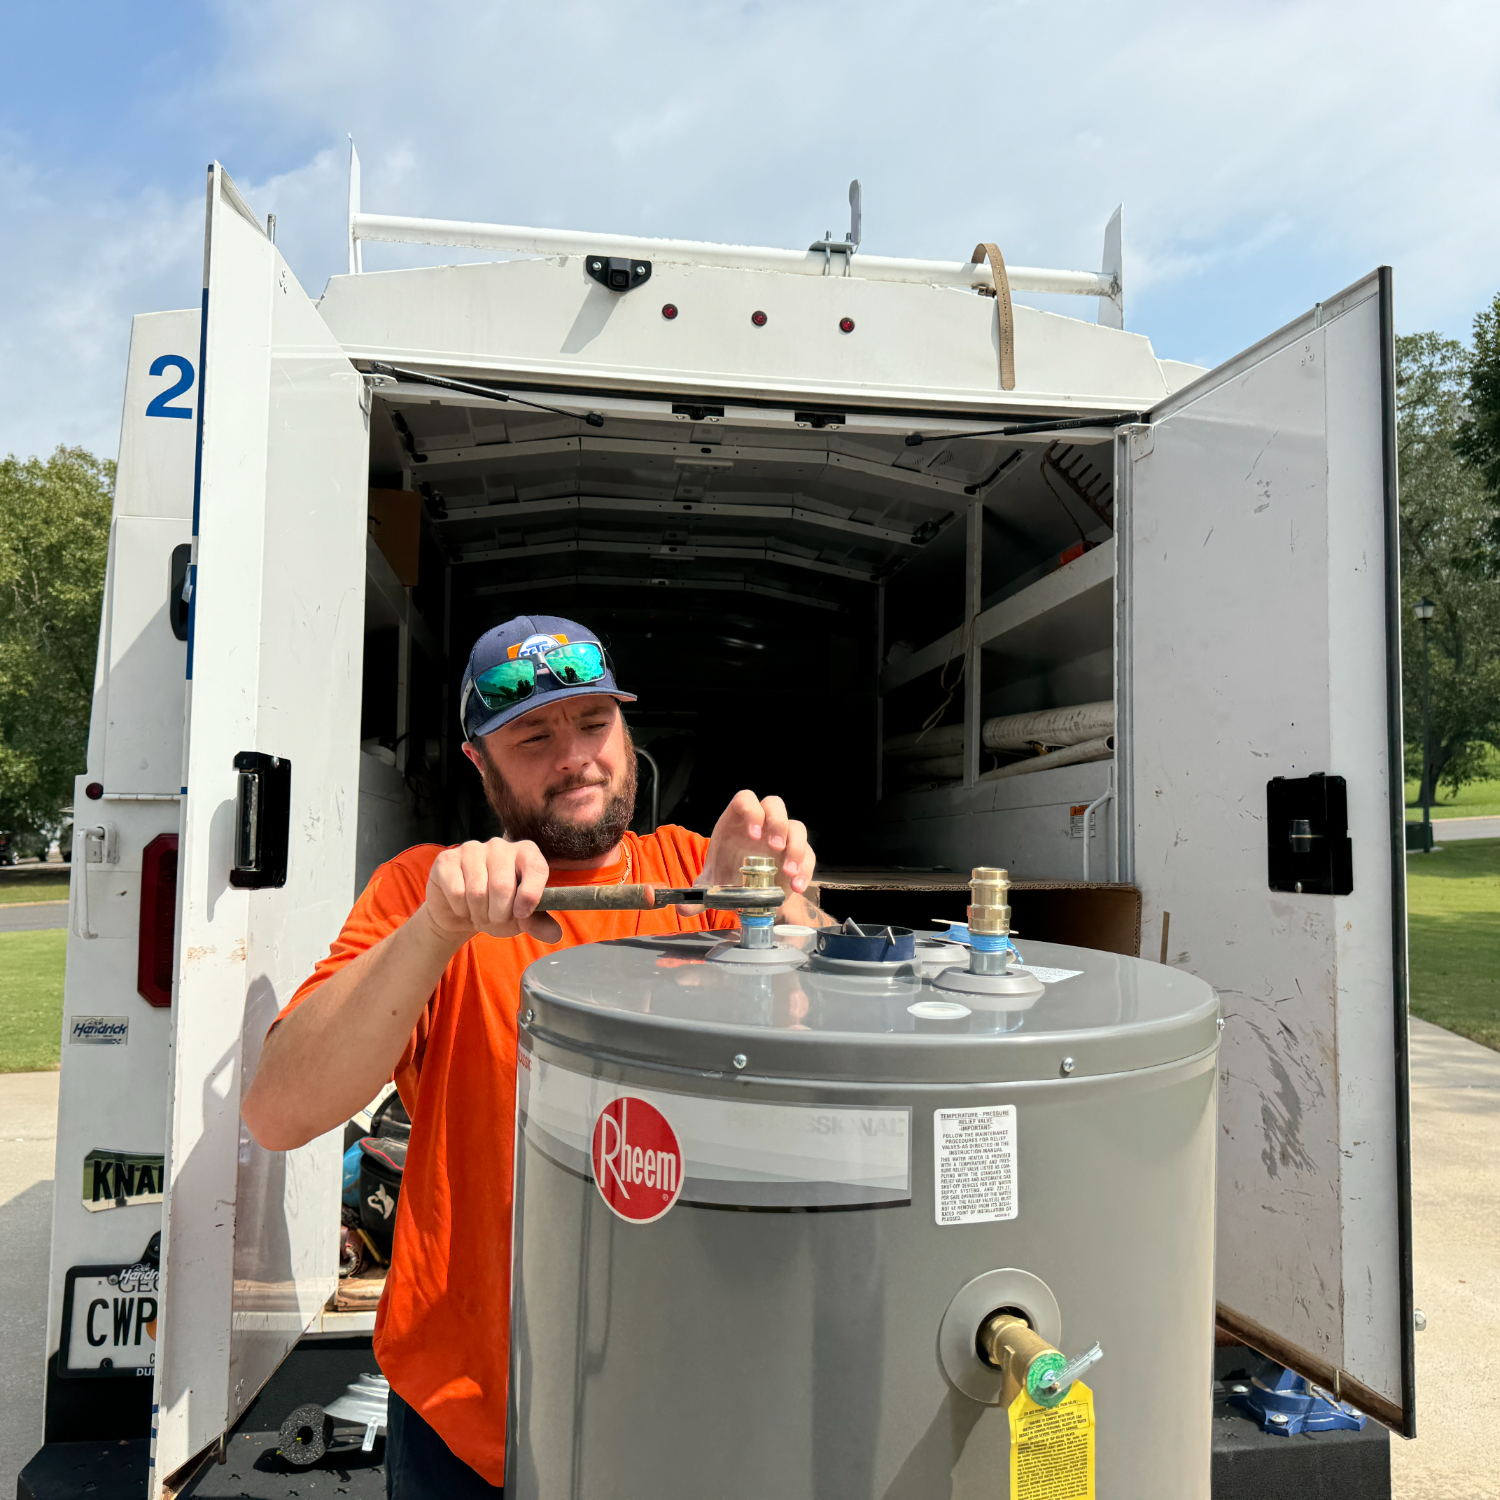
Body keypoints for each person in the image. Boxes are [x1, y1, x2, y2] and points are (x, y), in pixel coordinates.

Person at [241, 615, 827, 1498]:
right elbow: (279, 1112)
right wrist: (436, 928)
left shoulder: (699, 873)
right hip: (469, 1409)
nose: (576, 758)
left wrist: (777, 905)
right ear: (480, 763)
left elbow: (826, 1085)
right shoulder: (425, 892)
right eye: (533, 738)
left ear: (626, 732)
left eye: (594, 723)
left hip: (685, 1389)